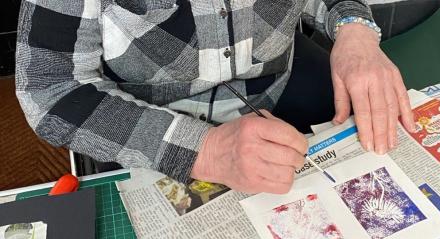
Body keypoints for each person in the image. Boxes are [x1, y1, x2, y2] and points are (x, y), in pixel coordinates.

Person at [16, 0, 415, 194]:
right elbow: (49, 87)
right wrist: (204, 151)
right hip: (150, 124)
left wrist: (355, 28)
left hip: (279, 90)